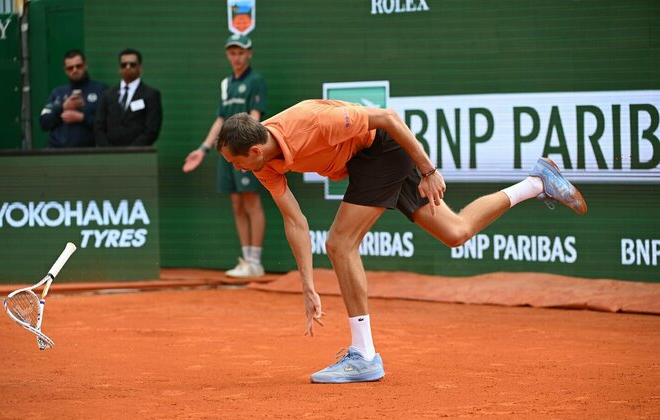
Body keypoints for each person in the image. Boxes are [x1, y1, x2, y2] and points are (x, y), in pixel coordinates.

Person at [215, 99, 588, 384]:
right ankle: (537, 182)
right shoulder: (264, 164)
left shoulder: (311, 121)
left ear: (254, 151)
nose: (236, 168)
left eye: (235, 162)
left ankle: (364, 355)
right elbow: (295, 221)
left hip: (383, 150)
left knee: (340, 243)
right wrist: (308, 286)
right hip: (365, 162)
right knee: (456, 232)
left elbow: (389, 118)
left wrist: (428, 170)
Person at [183, 34, 267, 278]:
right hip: (228, 153)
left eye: (241, 53)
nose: (236, 57)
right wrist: (203, 148)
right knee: (236, 203)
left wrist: (247, 147)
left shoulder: (256, 81)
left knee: (251, 201)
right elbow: (221, 119)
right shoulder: (225, 84)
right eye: (232, 53)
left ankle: (256, 262)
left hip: (245, 151)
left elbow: (255, 117)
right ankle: (246, 260)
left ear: (249, 53)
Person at [94, 48, 162, 147]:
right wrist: (109, 149)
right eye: (123, 65)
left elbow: (152, 129)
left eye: (132, 64)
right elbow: (98, 126)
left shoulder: (151, 95)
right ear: (119, 68)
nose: (128, 67)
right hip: (110, 152)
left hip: (138, 153)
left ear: (140, 67)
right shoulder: (107, 95)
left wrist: (131, 150)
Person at [39, 49, 107, 147]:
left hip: (85, 151)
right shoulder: (57, 93)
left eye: (78, 66)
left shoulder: (100, 90)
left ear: (85, 65)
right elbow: (44, 123)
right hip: (56, 150)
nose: (74, 70)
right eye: (70, 68)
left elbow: (107, 124)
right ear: (65, 70)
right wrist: (63, 107)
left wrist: (82, 118)